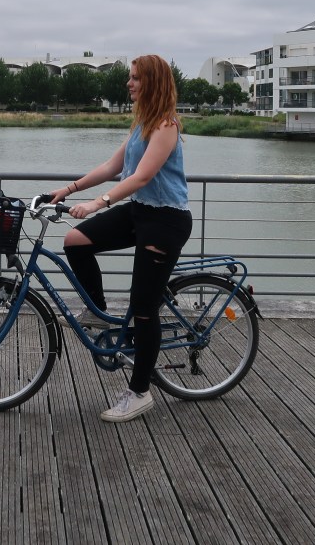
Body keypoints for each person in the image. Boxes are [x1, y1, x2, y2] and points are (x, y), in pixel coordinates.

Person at [48, 54, 192, 422]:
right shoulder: (142, 124)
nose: (129, 83)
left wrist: (97, 203)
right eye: (130, 77)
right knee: (75, 241)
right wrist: (69, 189)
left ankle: (140, 392)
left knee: (143, 308)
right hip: (139, 212)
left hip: (166, 221)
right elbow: (113, 167)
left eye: (135, 78)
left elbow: (141, 177)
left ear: (153, 82)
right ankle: (96, 310)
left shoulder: (166, 125)